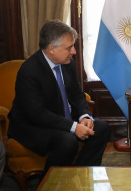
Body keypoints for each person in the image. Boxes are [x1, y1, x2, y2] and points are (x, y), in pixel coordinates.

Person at [8, 20, 110, 173]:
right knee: (67, 141)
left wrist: (84, 116)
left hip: (61, 119)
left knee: (101, 128)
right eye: (69, 48)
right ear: (51, 49)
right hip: (34, 125)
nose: (74, 51)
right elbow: (37, 114)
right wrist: (73, 127)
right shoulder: (29, 71)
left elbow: (77, 94)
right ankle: (50, 185)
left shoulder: (68, 63)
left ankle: (81, 174)